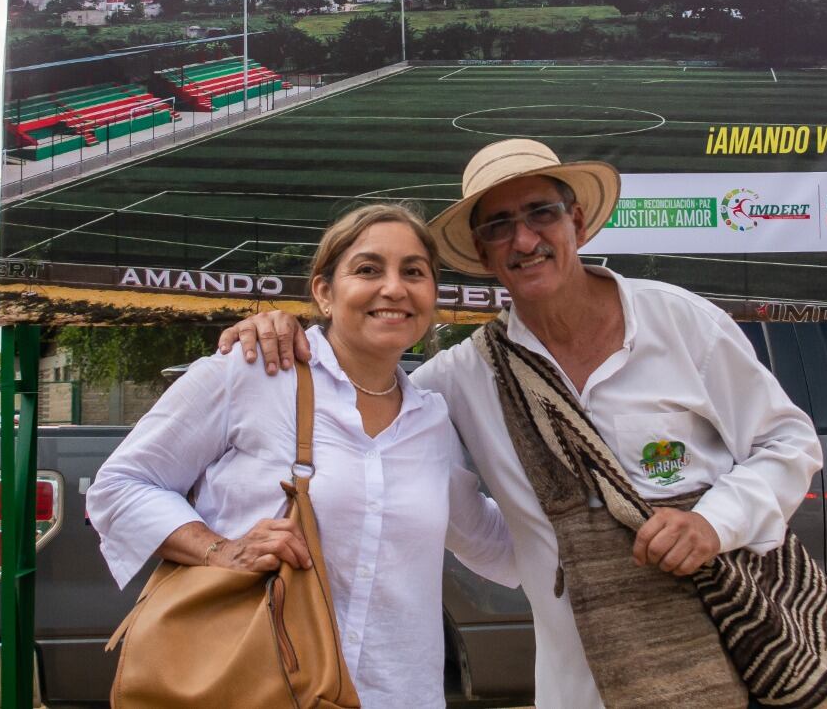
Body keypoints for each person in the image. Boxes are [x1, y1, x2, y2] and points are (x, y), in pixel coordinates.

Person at [221, 139, 825, 709]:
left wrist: (712, 524)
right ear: (482, 253)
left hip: (717, 654)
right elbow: (396, 441)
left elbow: (787, 443)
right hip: (577, 682)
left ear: (577, 223)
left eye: (541, 213)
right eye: (499, 226)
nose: (525, 239)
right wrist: (283, 333)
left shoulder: (679, 320)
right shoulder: (455, 380)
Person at [88, 204, 517, 709]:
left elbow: (489, 541)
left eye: (414, 272)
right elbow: (120, 486)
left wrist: (600, 524)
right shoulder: (252, 372)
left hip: (400, 695)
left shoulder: (431, 419)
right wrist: (219, 549)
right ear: (323, 292)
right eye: (368, 269)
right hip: (261, 689)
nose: (395, 288)